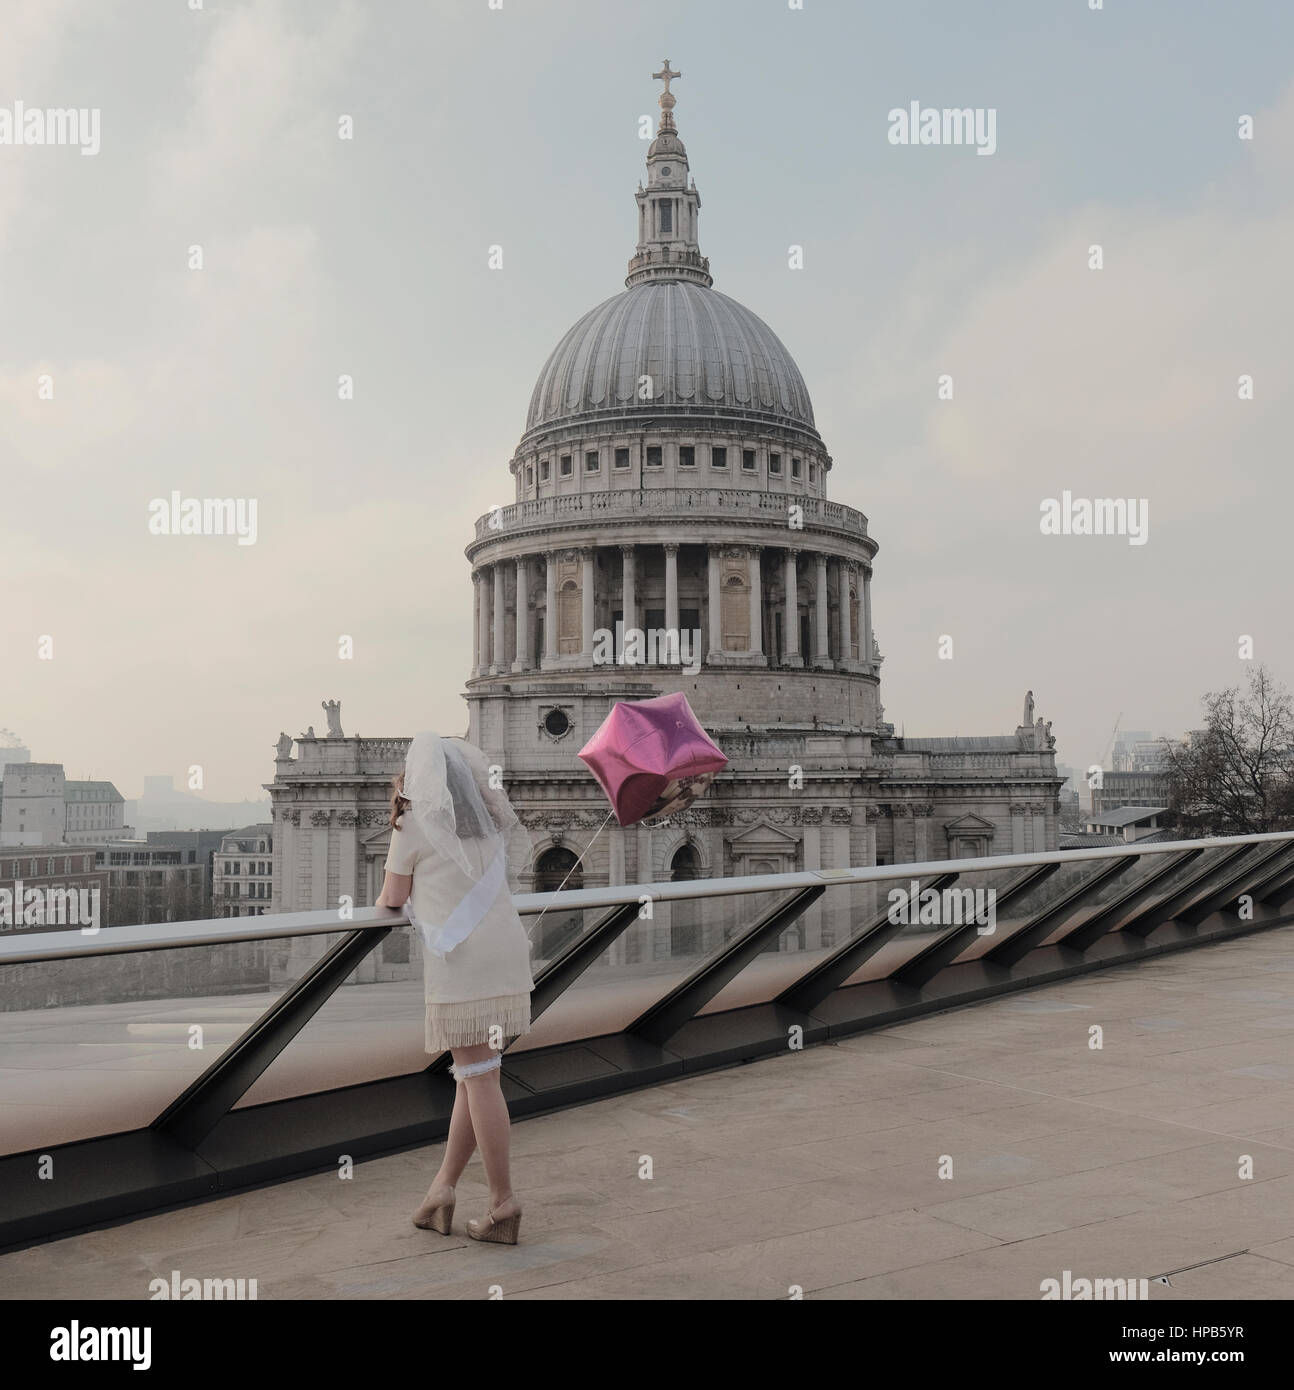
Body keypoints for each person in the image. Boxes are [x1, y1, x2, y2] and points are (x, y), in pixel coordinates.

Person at [376, 732, 534, 1244]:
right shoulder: (484, 824)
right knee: (475, 1075)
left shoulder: (414, 822)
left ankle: (502, 1204)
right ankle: (441, 1191)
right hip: (506, 953)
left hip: (461, 963)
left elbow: (390, 899)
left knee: (481, 1080)